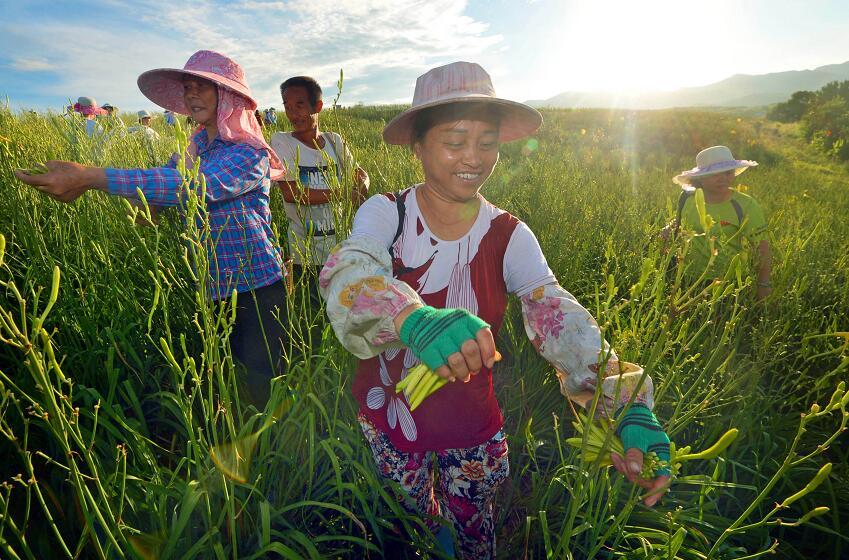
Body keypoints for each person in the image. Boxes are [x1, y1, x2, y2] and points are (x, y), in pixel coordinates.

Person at [318, 61, 670, 559]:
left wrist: (626, 401)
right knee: (411, 519)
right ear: (417, 145)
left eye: (488, 141)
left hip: (470, 420)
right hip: (392, 415)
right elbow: (347, 274)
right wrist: (413, 318)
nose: (474, 157)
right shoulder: (386, 212)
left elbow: (556, 314)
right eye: (455, 139)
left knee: (474, 524)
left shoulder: (508, 234)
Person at [15, 50, 289, 406]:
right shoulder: (193, 150)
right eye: (188, 87)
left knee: (265, 377)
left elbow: (197, 186)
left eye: (203, 87)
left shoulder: (250, 153)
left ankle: (274, 449)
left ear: (230, 97)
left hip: (257, 285)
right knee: (234, 369)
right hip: (214, 283)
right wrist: (150, 205)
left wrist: (90, 177)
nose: (192, 95)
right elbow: (168, 178)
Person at [271, 76, 369, 310]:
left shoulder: (334, 141)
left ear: (318, 107)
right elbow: (292, 193)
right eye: (287, 107)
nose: (293, 114)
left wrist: (362, 186)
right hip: (305, 255)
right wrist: (345, 193)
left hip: (341, 249)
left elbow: (360, 174)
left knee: (345, 314)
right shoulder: (282, 141)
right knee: (311, 317)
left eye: (300, 105)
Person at [667, 145, 771, 300]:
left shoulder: (746, 205)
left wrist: (763, 284)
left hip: (727, 284)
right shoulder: (687, 198)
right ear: (701, 177)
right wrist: (667, 229)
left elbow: (762, 248)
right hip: (686, 278)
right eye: (715, 174)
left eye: (728, 173)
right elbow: (680, 222)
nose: (723, 179)